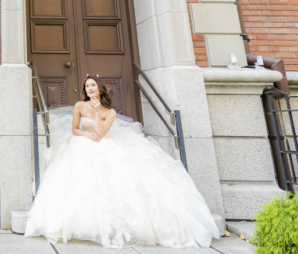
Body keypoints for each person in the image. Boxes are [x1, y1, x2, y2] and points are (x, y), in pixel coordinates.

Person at [24, 75, 220, 249]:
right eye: (87, 86)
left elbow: (101, 134)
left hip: (102, 142)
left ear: (100, 89)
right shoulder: (79, 106)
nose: (89, 89)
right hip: (81, 142)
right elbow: (74, 128)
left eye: (92, 85)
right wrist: (85, 134)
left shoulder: (109, 112)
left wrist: (98, 112)